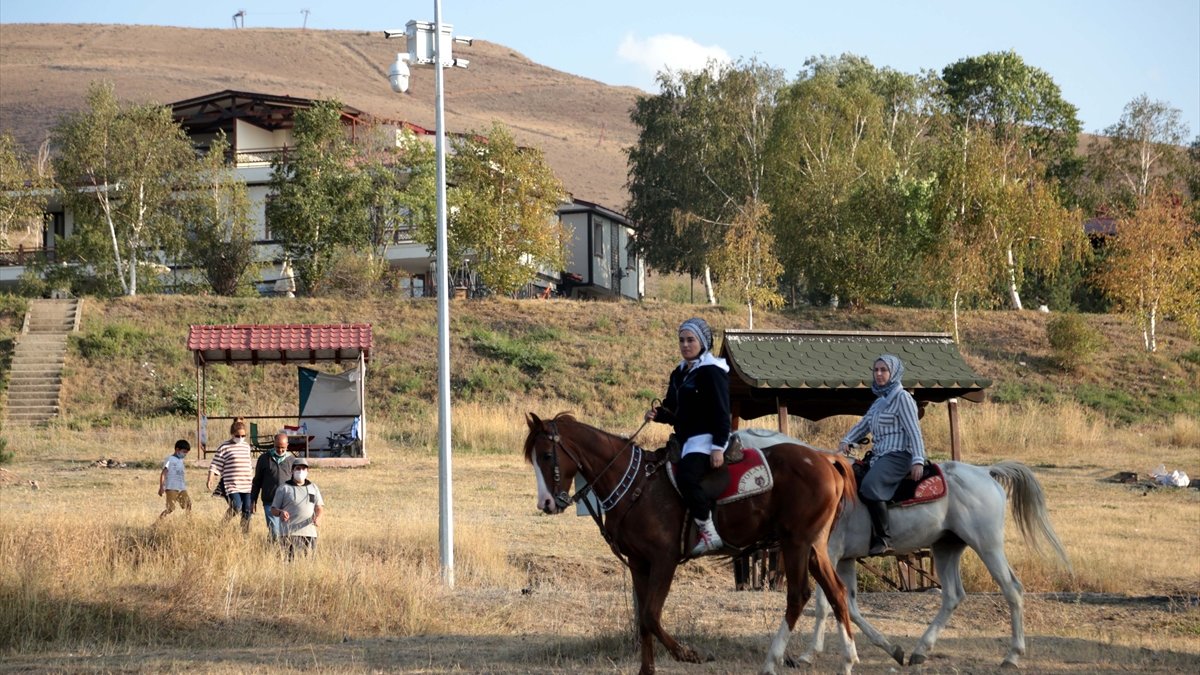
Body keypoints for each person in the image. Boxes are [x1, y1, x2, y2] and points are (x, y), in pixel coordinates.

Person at [645, 317, 731, 556]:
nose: (685, 345)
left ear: (703, 342)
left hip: (706, 439)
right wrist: (658, 414)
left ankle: (709, 532)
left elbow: (722, 411)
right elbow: (673, 410)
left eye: (690, 340)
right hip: (684, 440)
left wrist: (718, 447)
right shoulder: (679, 373)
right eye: (681, 340)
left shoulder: (712, 371)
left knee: (686, 477)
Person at [838, 354, 927, 556]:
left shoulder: (902, 397)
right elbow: (864, 425)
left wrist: (918, 460)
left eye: (883, 370)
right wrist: (846, 441)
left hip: (899, 455)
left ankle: (884, 538)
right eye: (876, 370)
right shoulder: (880, 401)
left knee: (870, 486)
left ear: (893, 372)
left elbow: (914, 431)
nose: (878, 374)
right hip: (879, 456)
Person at [270, 458, 324, 560]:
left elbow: (319, 507)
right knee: (289, 561)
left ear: (307, 471)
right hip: (289, 533)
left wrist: (318, 517)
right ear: (292, 471)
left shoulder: (313, 487)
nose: (301, 471)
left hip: (309, 532)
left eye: (304, 469)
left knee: (308, 562)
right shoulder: (284, 488)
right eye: (298, 468)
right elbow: (273, 509)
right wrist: (280, 512)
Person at [206, 418, 254, 532]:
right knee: (236, 506)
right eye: (238, 436)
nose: (240, 438)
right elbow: (215, 463)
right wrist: (210, 478)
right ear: (232, 434)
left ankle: (244, 533)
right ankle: (221, 527)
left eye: (243, 436)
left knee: (247, 509)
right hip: (232, 483)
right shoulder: (224, 446)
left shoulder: (246, 447)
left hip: (246, 483)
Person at [251, 433, 296, 541]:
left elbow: (297, 483)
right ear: (273, 444)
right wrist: (253, 499)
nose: (280, 450)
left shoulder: (292, 460)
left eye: (283, 448)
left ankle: (275, 549)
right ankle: (272, 549)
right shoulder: (264, 459)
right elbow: (257, 481)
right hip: (269, 501)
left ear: (287, 445)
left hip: (287, 502)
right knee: (274, 530)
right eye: (277, 447)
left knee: (285, 532)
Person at [158, 439, 192, 519]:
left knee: (188, 504)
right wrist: (161, 487)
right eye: (184, 452)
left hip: (181, 488)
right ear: (177, 449)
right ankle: (159, 521)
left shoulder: (181, 461)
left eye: (186, 453)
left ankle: (189, 521)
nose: (185, 454)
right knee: (170, 508)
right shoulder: (169, 459)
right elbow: (163, 473)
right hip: (171, 488)